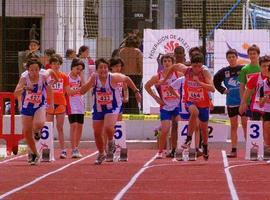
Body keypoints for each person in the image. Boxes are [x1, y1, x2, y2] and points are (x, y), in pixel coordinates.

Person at [80, 58, 141, 165]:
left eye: (105, 68)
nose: (103, 70)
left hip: (113, 106)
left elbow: (127, 79)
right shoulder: (94, 78)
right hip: (98, 107)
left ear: (108, 69)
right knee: (97, 133)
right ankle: (101, 153)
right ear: (96, 69)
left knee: (108, 127)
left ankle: (111, 142)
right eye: (100, 68)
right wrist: (86, 82)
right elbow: (83, 91)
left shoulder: (113, 77)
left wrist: (136, 92)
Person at [160, 53, 215, 160]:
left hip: (203, 102)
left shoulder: (204, 73)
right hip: (190, 100)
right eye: (194, 66)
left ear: (202, 65)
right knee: (194, 112)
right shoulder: (186, 70)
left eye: (199, 66)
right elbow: (174, 67)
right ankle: (188, 139)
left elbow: (212, 88)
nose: (197, 69)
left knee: (204, 129)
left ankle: (205, 146)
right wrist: (164, 79)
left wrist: (199, 82)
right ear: (191, 65)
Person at [14, 59, 53, 165]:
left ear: (39, 69)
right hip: (27, 106)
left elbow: (50, 89)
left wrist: (51, 103)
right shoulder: (24, 77)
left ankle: (37, 131)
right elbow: (15, 93)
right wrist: (24, 88)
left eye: (36, 70)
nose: (34, 72)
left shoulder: (43, 76)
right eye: (32, 70)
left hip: (39, 105)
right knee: (27, 132)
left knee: (38, 124)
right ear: (28, 70)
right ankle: (35, 154)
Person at [145, 54, 182, 159]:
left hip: (177, 106)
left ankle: (175, 149)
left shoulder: (178, 74)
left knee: (177, 127)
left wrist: (182, 98)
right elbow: (147, 86)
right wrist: (156, 97)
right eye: (165, 61)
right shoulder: (158, 76)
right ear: (162, 63)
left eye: (169, 61)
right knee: (165, 129)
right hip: (165, 106)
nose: (167, 63)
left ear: (172, 63)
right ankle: (160, 151)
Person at [214, 49, 247, 158]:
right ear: (227, 59)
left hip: (243, 101)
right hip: (231, 102)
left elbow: (251, 79)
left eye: (233, 57)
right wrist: (223, 90)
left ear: (237, 57)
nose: (232, 59)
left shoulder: (242, 69)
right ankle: (234, 150)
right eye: (229, 57)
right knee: (234, 126)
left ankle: (249, 148)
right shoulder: (224, 71)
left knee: (246, 125)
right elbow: (215, 80)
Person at [46, 55, 78, 159]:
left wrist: (79, 90)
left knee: (60, 128)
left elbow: (68, 91)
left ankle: (63, 150)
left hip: (60, 103)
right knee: (48, 128)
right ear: (50, 65)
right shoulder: (46, 76)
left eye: (58, 63)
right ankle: (47, 149)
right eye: (54, 63)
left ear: (60, 65)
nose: (56, 65)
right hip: (49, 103)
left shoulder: (64, 77)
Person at [239, 55, 270, 155]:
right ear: (260, 67)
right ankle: (254, 149)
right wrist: (243, 103)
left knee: (267, 127)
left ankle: (266, 148)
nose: (266, 68)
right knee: (256, 127)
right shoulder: (255, 78)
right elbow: (248, 92)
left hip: (268, 107)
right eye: (264, 66)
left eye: (268, 66)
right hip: (257, 106)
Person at [66, 58, 85, 158]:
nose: (79, 71)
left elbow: (84, 89)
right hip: (71, 105)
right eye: (77, 69)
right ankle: (73, 148)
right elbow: (69, 92)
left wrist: (82, 78)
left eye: (81, 70)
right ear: (72, 67)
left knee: (80, 127)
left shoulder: (80, 77)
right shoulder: (67, 78)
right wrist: (78, 89)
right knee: (73, 126)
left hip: (80, 104)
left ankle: (76, 147)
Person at [119, 36, 143, 113]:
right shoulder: (137, 51)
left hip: (123, 75)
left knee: (124, 94)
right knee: (134, 96)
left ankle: (125, 112)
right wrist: (142, 73)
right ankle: (134, 112)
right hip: (135, 75)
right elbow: (140, 64)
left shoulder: (121, 51)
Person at [239, 44, 261, 117]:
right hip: (250, 102)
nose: (252, 55)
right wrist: (243, 102)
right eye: (250, 54)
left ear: (258, 54)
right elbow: (242, 87)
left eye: (254, 53)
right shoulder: (245, 69)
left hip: (263, 101)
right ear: (248, 55)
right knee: (253, 123)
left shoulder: (264, 67)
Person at [259, 63, 270, 157]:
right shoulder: (263, 83)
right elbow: (261, 103)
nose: (266, 70)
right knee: (267, 133)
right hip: (267, 111)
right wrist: (264, 99)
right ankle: (268, 154)